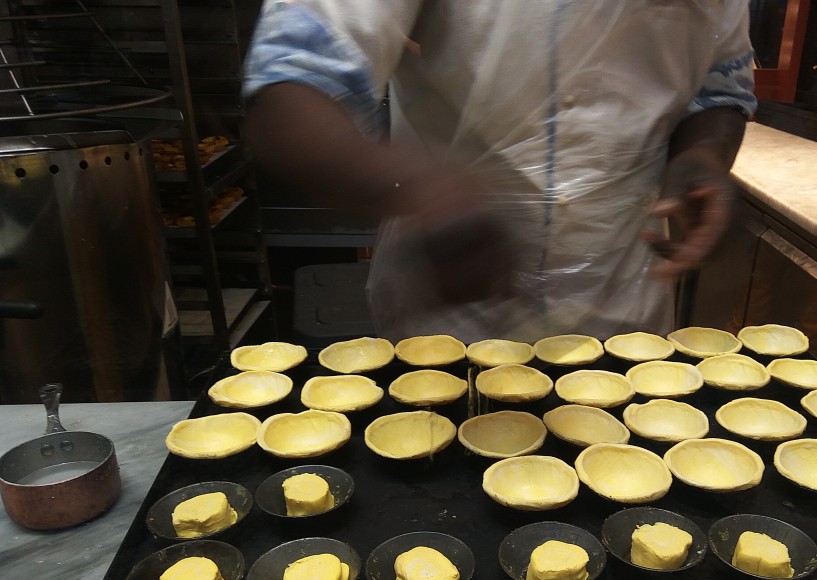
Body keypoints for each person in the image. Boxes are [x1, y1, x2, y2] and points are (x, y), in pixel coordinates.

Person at [241, 1, 756, 343]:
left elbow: (719, 87)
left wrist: (704, 153)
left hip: (622, 298)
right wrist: (425, 193)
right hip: (450, 300)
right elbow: (289, 87)